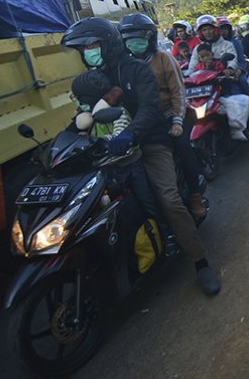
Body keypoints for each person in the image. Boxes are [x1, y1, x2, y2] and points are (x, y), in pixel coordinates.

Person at [62, 17, 220, 296]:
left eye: (92, 45)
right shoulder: (95, 78)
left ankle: (200, 262)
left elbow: (149, 108)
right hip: (108, 150)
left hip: (150, 142)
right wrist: (69, 137)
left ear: (108, 44)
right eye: (83, 48)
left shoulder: (137, 70)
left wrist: (131, 134)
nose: (88, 52)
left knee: (169, 200)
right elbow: (84, 112)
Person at [70, 70, 178, 256]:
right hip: (106, 170)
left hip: (129, 166)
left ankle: (168, 235)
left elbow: (120, 134)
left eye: (81, 98)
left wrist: (100, 142)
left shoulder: (118, 112)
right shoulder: (88, 118)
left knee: (148, 202)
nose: (79, 103)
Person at [118, 13, 208, 221]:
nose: (134, 42)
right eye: (128, 38)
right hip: (144, 120)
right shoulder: (126, 65)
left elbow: (178, 90)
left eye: (138, 37)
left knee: (183, 146)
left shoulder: (163, 57)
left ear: (149, 37)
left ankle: (195, 195)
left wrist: (177, 121)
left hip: (171, 114)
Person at [193, 43, 249, 155]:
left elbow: (229, 68)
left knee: (242, 108)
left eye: (207, 55)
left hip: (225, 93)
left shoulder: (220, 62)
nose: (205, 58)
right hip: (208, 98)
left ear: (212, 54)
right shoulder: (198, 68)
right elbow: (194, 77)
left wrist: (228, 71)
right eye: (202, 57)